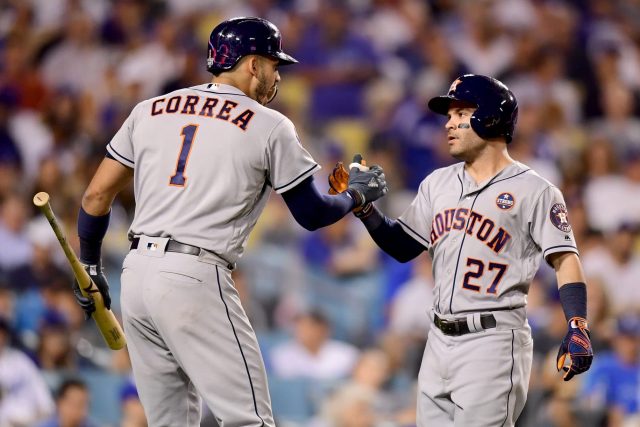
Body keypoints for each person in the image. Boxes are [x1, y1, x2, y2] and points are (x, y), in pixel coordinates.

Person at [71, 17, 387, 426]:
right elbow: (312, 214)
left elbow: (96, 196)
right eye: (273, 65)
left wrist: (91, 266)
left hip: (134, 276)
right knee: (249, 420)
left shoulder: (150, 108)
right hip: (194, 274)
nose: (276, 75)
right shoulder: (269, 123)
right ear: (252, 64)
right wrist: (355, 194)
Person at [350, 74, 593, 426]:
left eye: (460, 113)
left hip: (492, 342)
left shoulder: (535, 190)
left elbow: (565, 258)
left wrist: (577, 324)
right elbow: (403, 247)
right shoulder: (437, 183)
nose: (449, 123)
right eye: (449, 115)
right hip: (437, 340)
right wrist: (366, 210)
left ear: (490, 116)